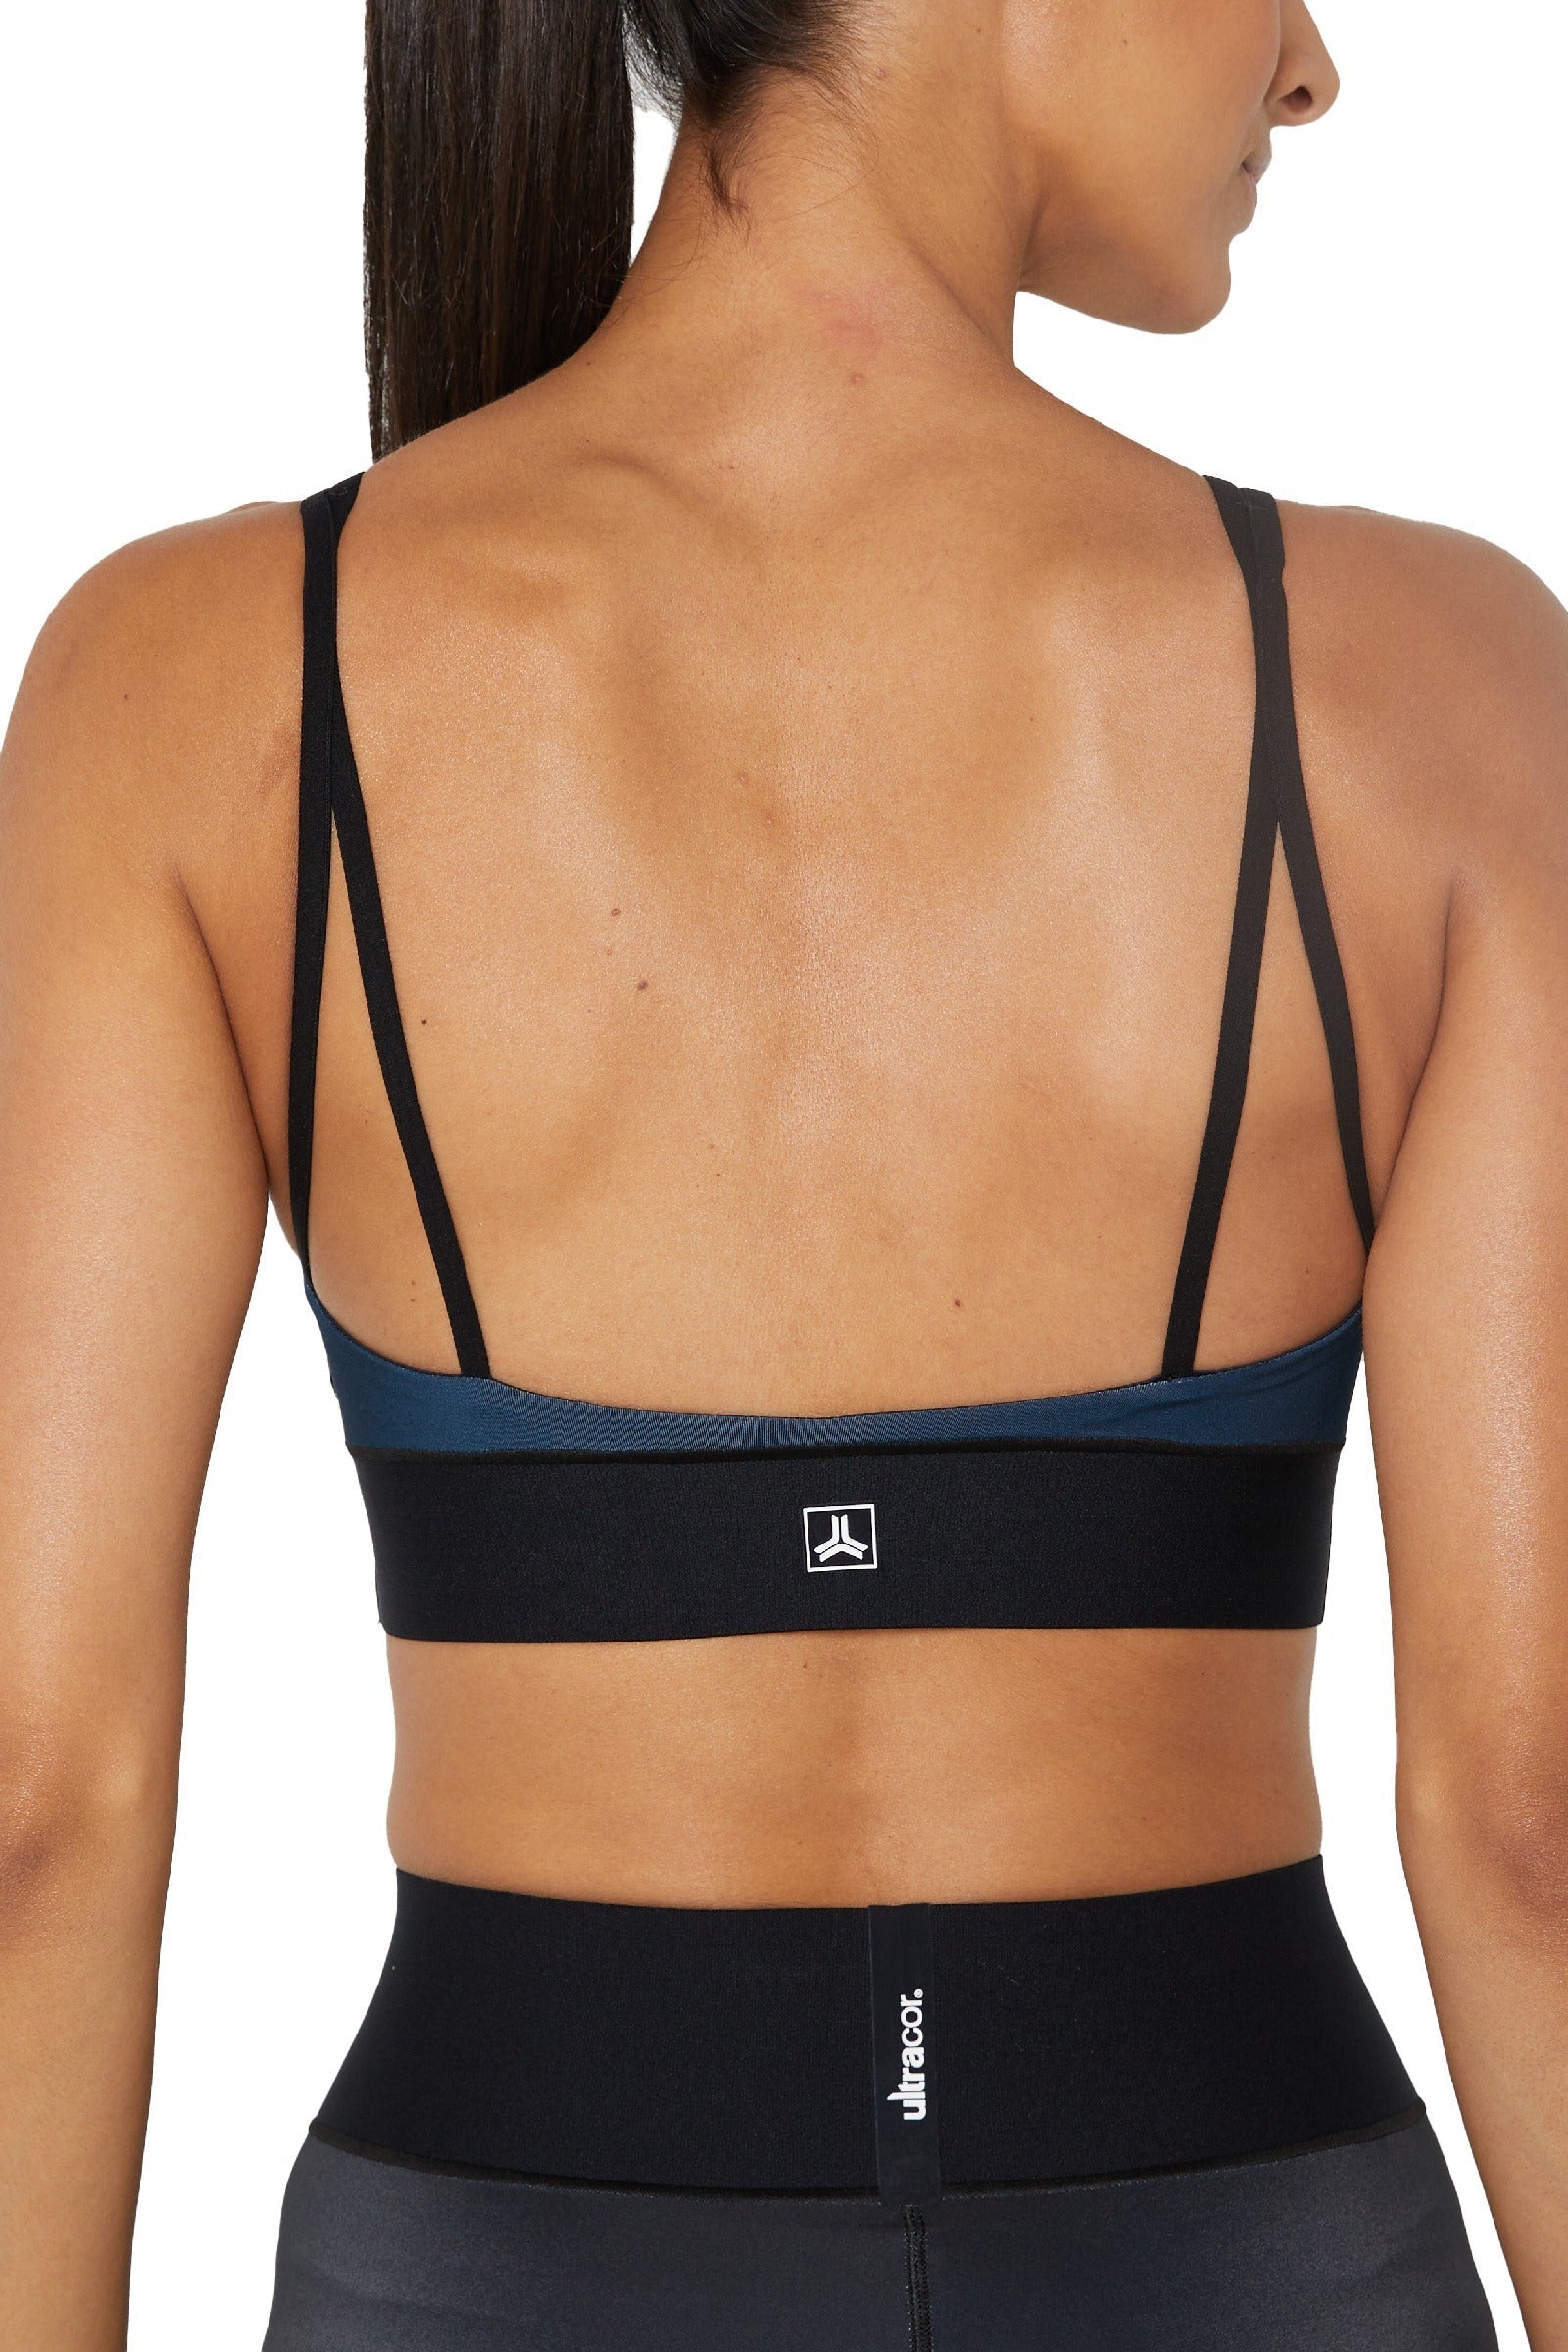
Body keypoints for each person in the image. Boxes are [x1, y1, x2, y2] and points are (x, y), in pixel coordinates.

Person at [2, 0, 1565, 2342]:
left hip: (499, 2271)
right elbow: (1527, 1818)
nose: (1308, 63)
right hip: (1245, 2255)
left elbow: (40, 1797)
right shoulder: (1434, 685)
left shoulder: (198, 680)